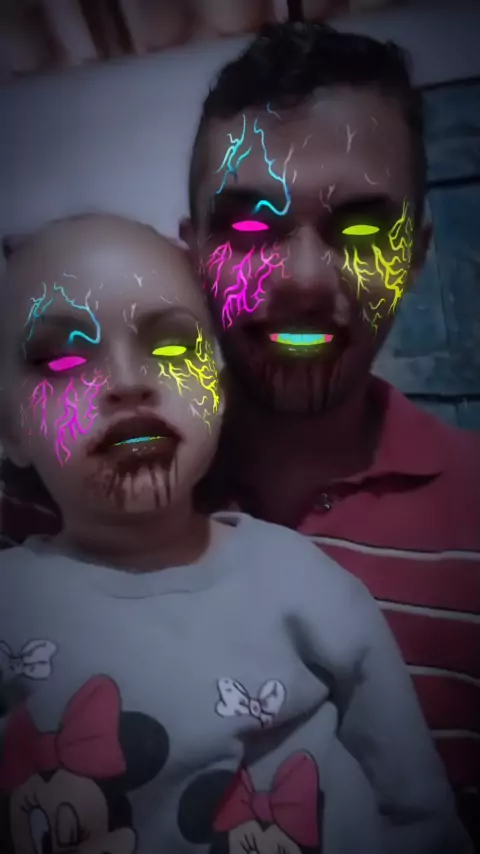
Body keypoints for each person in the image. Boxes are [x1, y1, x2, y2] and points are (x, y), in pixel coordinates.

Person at [0, 213, 471, 853]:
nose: (128, 382)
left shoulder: (305, 585)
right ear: (9, 429)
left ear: (218, 390)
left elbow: (423, 818)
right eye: (61, 357)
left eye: (173, 348)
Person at [179, 21, 480, 846]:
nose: (305, 281)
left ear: (415, 255)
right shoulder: (57, 513)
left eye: (361, 230)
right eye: (248, 229)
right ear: (193, 252)